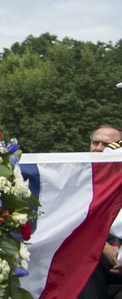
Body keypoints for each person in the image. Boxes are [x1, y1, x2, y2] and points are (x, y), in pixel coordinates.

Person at [80, 125, 122, 299]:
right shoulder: (78, 181)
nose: (98, 148)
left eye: (105, 144)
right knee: (84, 260)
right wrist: (100, 245)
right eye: (95, 142)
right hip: (98, 253)